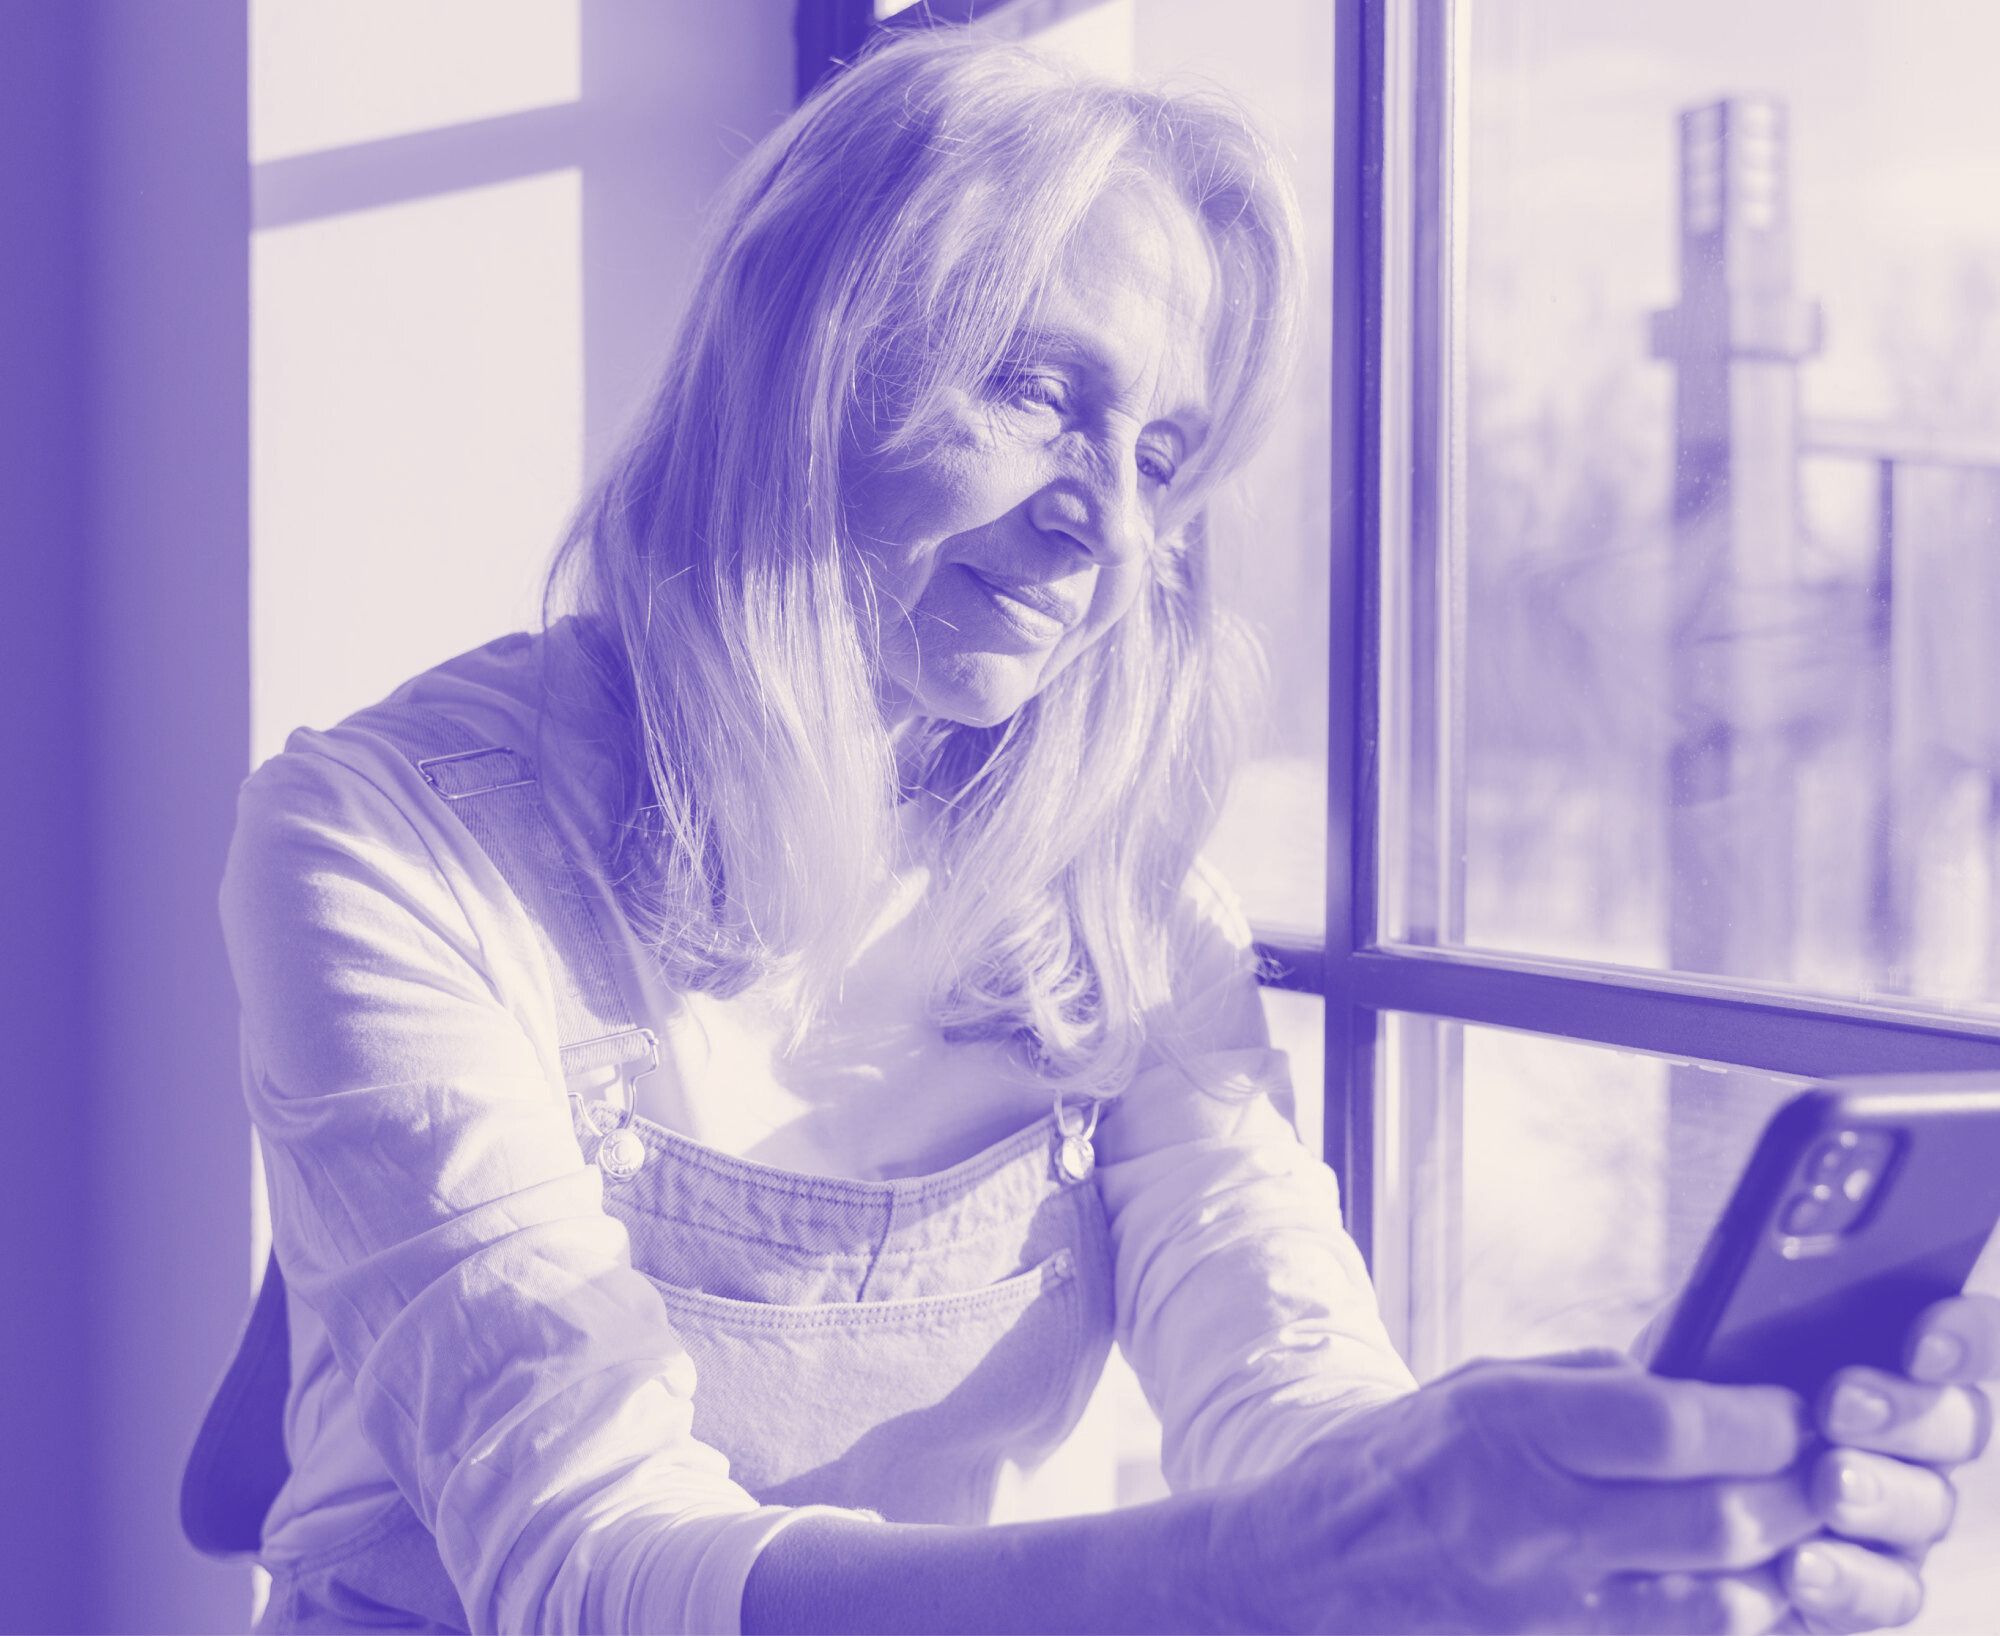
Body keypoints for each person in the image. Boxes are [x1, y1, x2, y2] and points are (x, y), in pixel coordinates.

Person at [192, 27, 1996, 1635]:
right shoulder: (377, 841)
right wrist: (1300, 1564)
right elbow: (589, 1566)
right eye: (1037, 392)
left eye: (1158, 457)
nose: (1103, 534)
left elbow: (1289, 1403)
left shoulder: (1118, 898)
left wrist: (1579, 1515)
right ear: (797, 364)